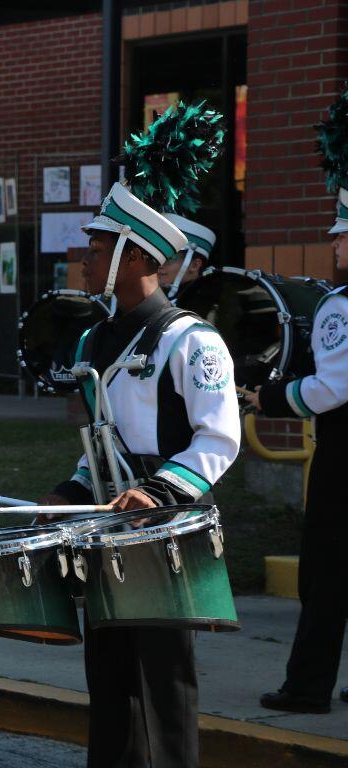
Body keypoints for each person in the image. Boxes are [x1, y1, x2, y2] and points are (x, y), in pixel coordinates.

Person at [41, 104, 240, 767]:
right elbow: (100, 437)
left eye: (98, 250)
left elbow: (219, 438)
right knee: (111, 673)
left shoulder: (193, 339)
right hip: (109, 522)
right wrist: (71, 489)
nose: (86, 259)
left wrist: (158, 491)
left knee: (165, 680)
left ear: (135, 257)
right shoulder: (98, 336)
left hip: (169, 526)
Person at [251, 92, 348, 713]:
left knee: (326, 575)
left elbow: (331, 390)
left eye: (342, 237)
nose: (335, 248)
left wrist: (269, 398)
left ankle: (307, 686)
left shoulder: (341, 305)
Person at [160, 214, 216, 300]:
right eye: (159, 256)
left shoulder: (203, 301)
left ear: (195, 265)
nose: (160, 264)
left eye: (169, 258)